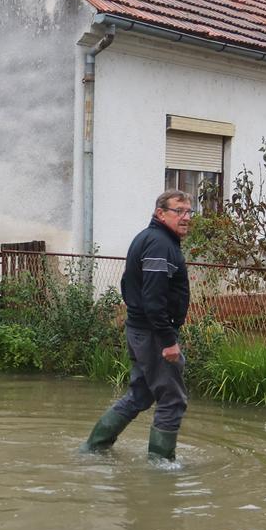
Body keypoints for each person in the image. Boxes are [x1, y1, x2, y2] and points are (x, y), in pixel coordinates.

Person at [82, 190, 193, 461]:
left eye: (189, 212)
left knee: (141, 395)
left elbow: (127, 285)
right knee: (172, 399)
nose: (186, 217)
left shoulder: (151, 239)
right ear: (160, 213)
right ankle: (162, 466)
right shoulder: (159, 244)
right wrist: (167, 340)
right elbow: (153, 298)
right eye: (178, 211)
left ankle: (94, 448)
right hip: (154, 333)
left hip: (141, 330)